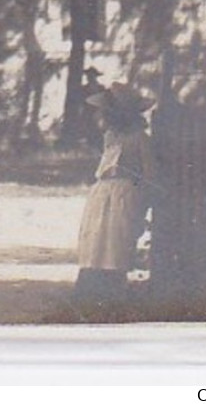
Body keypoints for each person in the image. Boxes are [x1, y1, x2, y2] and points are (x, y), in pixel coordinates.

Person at [75, 82, 156, 318]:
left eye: (106, 112)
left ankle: (112, 294)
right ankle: (90, 293)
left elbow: (149, 173)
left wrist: (142, 199)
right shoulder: (110, 136)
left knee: (116, 244)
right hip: (102, 193)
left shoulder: (140, 139)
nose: (101, 116)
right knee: (96, 241)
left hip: (124, 194)